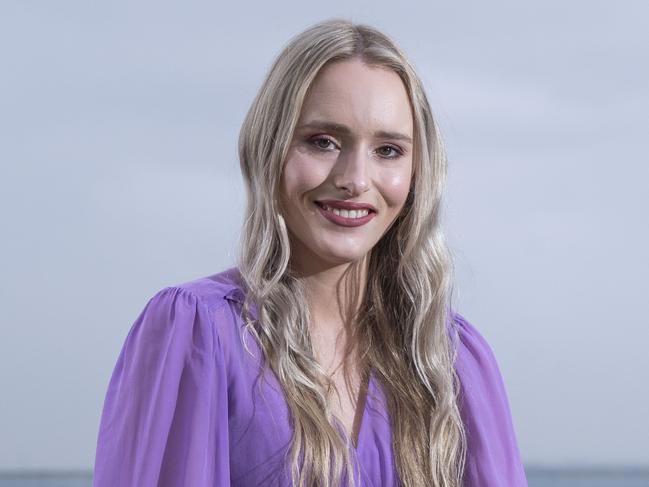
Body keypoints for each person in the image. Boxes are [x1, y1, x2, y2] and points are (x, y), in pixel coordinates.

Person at [92, 18, 528, 487]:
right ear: (270, 148)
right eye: (323, 142)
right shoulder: (199, 333)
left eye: (387, 150)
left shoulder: (451, 361)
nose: (355, 179)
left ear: (418, 173)